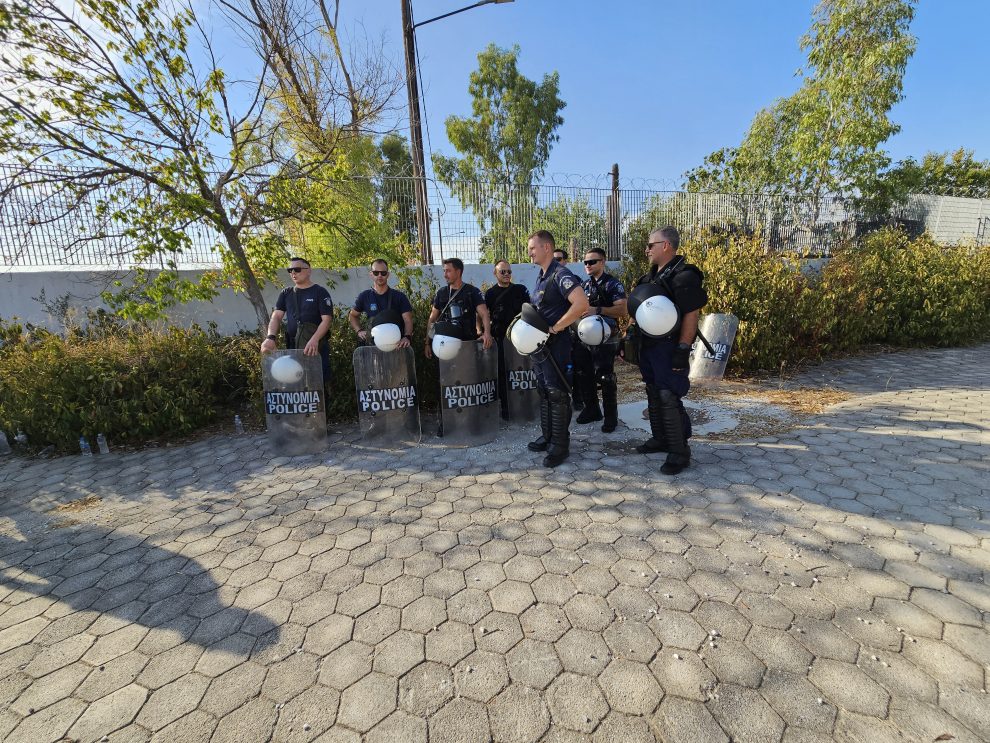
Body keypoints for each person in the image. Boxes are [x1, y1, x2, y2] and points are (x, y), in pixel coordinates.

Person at [628, 226, 707, 474]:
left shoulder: (684, 276)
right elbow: (637, 311)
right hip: (648, 346)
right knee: (653, 391)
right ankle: (660, 438)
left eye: (650, 245)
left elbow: (691, 314)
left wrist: (683, 348)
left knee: (668, 395)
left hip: (669, 346)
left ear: (666, 246)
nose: (646, 250)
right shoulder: (649, 278)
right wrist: (628, 337)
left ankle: (679, 451)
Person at [525, 231, 590, 467]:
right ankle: (548, 436)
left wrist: (556, 327)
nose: (530, 253)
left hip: (556, 347)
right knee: (545, 391)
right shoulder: (542, 276)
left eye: (533, 248)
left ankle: (560, 446)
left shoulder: (560, 274)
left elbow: (581, 304)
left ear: (547, 248)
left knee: (558, 394)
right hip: (540, 348)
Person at [572, 247, 627, 432]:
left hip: (606, 336)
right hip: (584, 336)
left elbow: (622, 309)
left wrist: (598, 310)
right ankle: (592, 409)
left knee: (605, 377)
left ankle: (611, 416)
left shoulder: (612, 284)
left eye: (592, 262)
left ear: (602, 262)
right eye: (585, 262)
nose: (588, 265)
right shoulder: (584, 286)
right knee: (583, 373)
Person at [261, 256, 334, 383]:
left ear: (309, 270)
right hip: (293, 347)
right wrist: (270, 337)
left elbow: (327, 320)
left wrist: (314, 340)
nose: (293, 273)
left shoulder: (320, 292)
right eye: (290, 270)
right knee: (296, 382)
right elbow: (276, 316)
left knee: (318, 383)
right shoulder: (286, 293)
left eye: (297, 269)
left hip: (315, 347)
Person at [484, 260, 530, 418]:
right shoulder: (490, 294)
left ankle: (524, 404)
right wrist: (483, 332)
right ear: (495, 273)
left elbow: (529, 311)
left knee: (521, 372)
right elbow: (483, 315)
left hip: (520, 338)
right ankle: (506, 408)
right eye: (502, 271)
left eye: (509, 271)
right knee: (503, 373)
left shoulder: (520, 290)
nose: (506, 274)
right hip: (500, 338)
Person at [348, 258, 414, 348]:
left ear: (388, 275)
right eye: (376, 273)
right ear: (371, 274)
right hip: (373, 347)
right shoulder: (364, 296)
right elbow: (353, 315)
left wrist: (407, 337)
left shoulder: (399, 297)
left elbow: (408, 320)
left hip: (397, 347)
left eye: (383, 273)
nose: (380, 276)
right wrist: (359, 331)